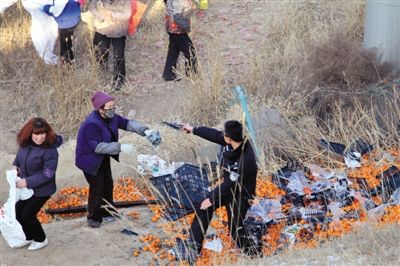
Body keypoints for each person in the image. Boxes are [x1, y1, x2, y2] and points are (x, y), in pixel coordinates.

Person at [172, 120, 259, 261]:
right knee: (203, 208)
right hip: (228, 189)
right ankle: (193, 248)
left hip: (241, 195)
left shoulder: (245, 160)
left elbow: (228, 185)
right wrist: (193, 129)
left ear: (229, 138)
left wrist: (211, 198)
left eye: (224, 133)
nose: (222, 134)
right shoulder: (231, 141)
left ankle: (254, 253)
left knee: (235, 228)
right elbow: (214, 134)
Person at [75, 91, 161, 228]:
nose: (112, 110)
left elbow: (127, 123)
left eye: (113, 107)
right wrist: (120, 147)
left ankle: (108, 212)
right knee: (97, 187)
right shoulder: (92, 124)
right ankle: (94, 218)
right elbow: (97, 147)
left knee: (108, 183)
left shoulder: (112, 117)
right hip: (89, 159)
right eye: (109, 108)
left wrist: (145, 131)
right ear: (100, 109)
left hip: (102, 157)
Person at [13, 117, 63, 251]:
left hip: (43, 189)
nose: (40, 137)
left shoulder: (50, 150)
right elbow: (19, 156)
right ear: (29, 133)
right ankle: (28, 236)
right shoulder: (25, 143)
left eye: (43, 133)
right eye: (36, 134)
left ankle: (41, 239)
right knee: (18, 211)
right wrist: (15, 166)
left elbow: (47, 174)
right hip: (27, 188)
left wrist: (27, 182)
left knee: (27, 214)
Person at [89, 0, 132, 90]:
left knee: (119, 55)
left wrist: (111, 14)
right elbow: (92, 7)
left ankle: (119, 80)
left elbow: (128, 14)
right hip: (102, 28)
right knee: (101, 53)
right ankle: (103, 75)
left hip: (119, 29)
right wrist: (102, 17)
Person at [162, 0, 197, 81]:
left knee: (173, 50)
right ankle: (191, 74)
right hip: (177, 29)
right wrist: (186, 27)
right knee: (190, 50)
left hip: (171, 27)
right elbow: (178, 16)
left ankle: (169, 75)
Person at [42, 0, 82, 64]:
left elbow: (56, 11)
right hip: (75, 20)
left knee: (64, 45)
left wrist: (45, 8)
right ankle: (70, 55)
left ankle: (67, 63)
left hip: (65, 23)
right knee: (69, 38)